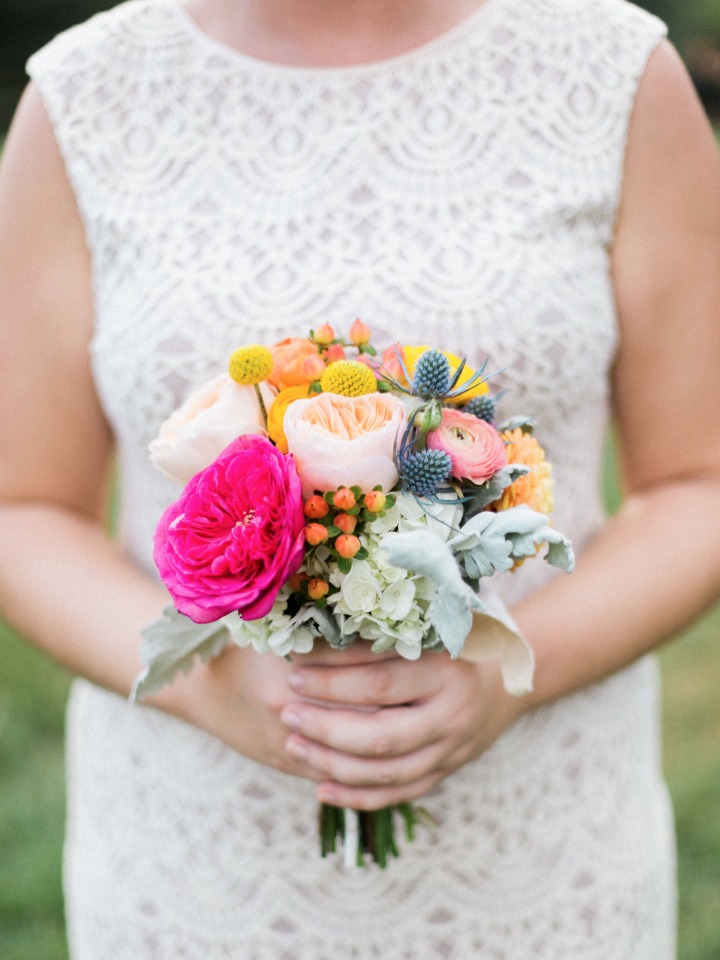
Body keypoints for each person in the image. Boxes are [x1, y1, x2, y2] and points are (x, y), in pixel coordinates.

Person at [1, 0, 719, 956]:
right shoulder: (84, 95)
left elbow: (699, 481)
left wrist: (510, 673)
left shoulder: (613, 69)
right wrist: (209, 688)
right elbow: (24, 505)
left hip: (544, 866)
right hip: (196, 875)